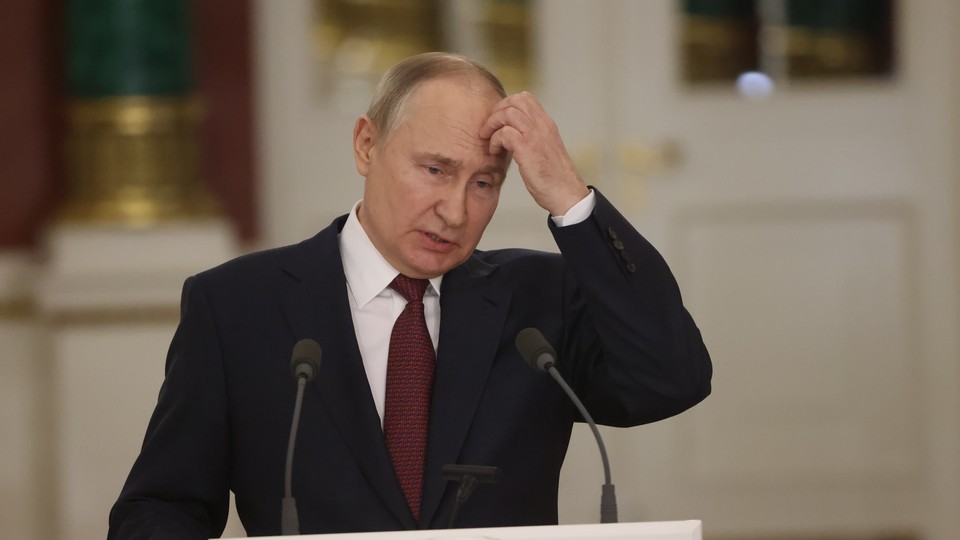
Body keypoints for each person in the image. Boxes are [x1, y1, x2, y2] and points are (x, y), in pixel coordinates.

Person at [108, 52, 712, 539]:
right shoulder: (237, 307)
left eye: (484, 183)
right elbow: (161, 507)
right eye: (434, 170)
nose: (454, 211)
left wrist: (569, 197)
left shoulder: (540, 299)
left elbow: (670, 379)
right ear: (367, 146)